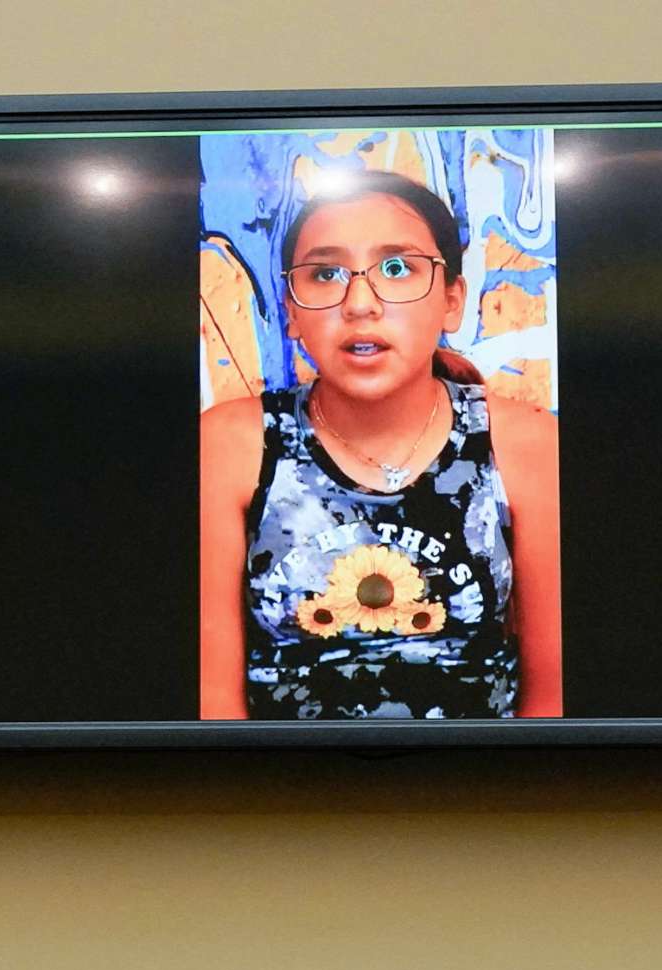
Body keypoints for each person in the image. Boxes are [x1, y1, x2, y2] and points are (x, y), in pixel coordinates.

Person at [199, 168, 561, 722]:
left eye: (397, 268)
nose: (360, 303)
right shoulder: (232, 446)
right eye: (325, 273)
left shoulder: (523, 443)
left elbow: (553, 705)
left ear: (452, 301)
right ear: (291, 310)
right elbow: (211, 713)